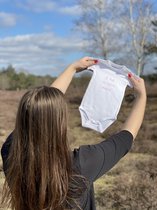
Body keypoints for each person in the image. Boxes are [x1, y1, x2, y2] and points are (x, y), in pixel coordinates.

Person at [1, 57, 146, 210]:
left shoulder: (10, 154)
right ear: (60, 122)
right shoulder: (81, 166)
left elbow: (36, 113)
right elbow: (126, 138)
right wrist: (142, 97)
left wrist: (72, 69)